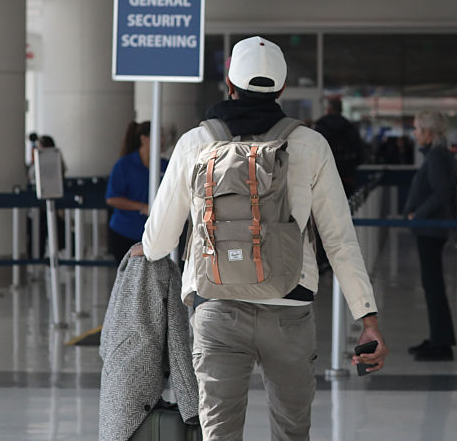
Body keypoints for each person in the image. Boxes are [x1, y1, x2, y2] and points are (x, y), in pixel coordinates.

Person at [141, 36, 387, 441]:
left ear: (229, 82)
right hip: (289, 307)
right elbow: (340, 240)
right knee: (292, 431)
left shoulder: (196, 143)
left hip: (217, 306)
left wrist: (147, 242)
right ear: (282, 88)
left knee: (219, 433)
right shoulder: (310, 144)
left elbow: (157, 242)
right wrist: (368, 319)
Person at [405, 110, 457, 362]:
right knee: (431, 285)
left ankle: (441, 343)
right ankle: (439, 337)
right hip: (430, 228)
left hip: (431, 228)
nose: (415, 133)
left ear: (428, 132)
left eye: (417, 128)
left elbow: (440, 192)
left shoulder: (436, 157)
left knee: (433, 286)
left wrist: (418, 215)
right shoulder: (436, 155)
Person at [105, 120, 154, 262]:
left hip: (152, 233)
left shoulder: (164, 165)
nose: (162, 140)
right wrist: (142, 207)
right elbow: (112, 198)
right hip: (125, 231)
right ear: (144, 139)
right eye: (158, 135)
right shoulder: (124, 165)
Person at [314, 97, 365, 197]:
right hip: (346, 176)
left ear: (328, 109)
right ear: (341, 110)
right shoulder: (350, 127)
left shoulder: (321, 126)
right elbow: (360, 152)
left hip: (325, 175)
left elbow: (313, 150)